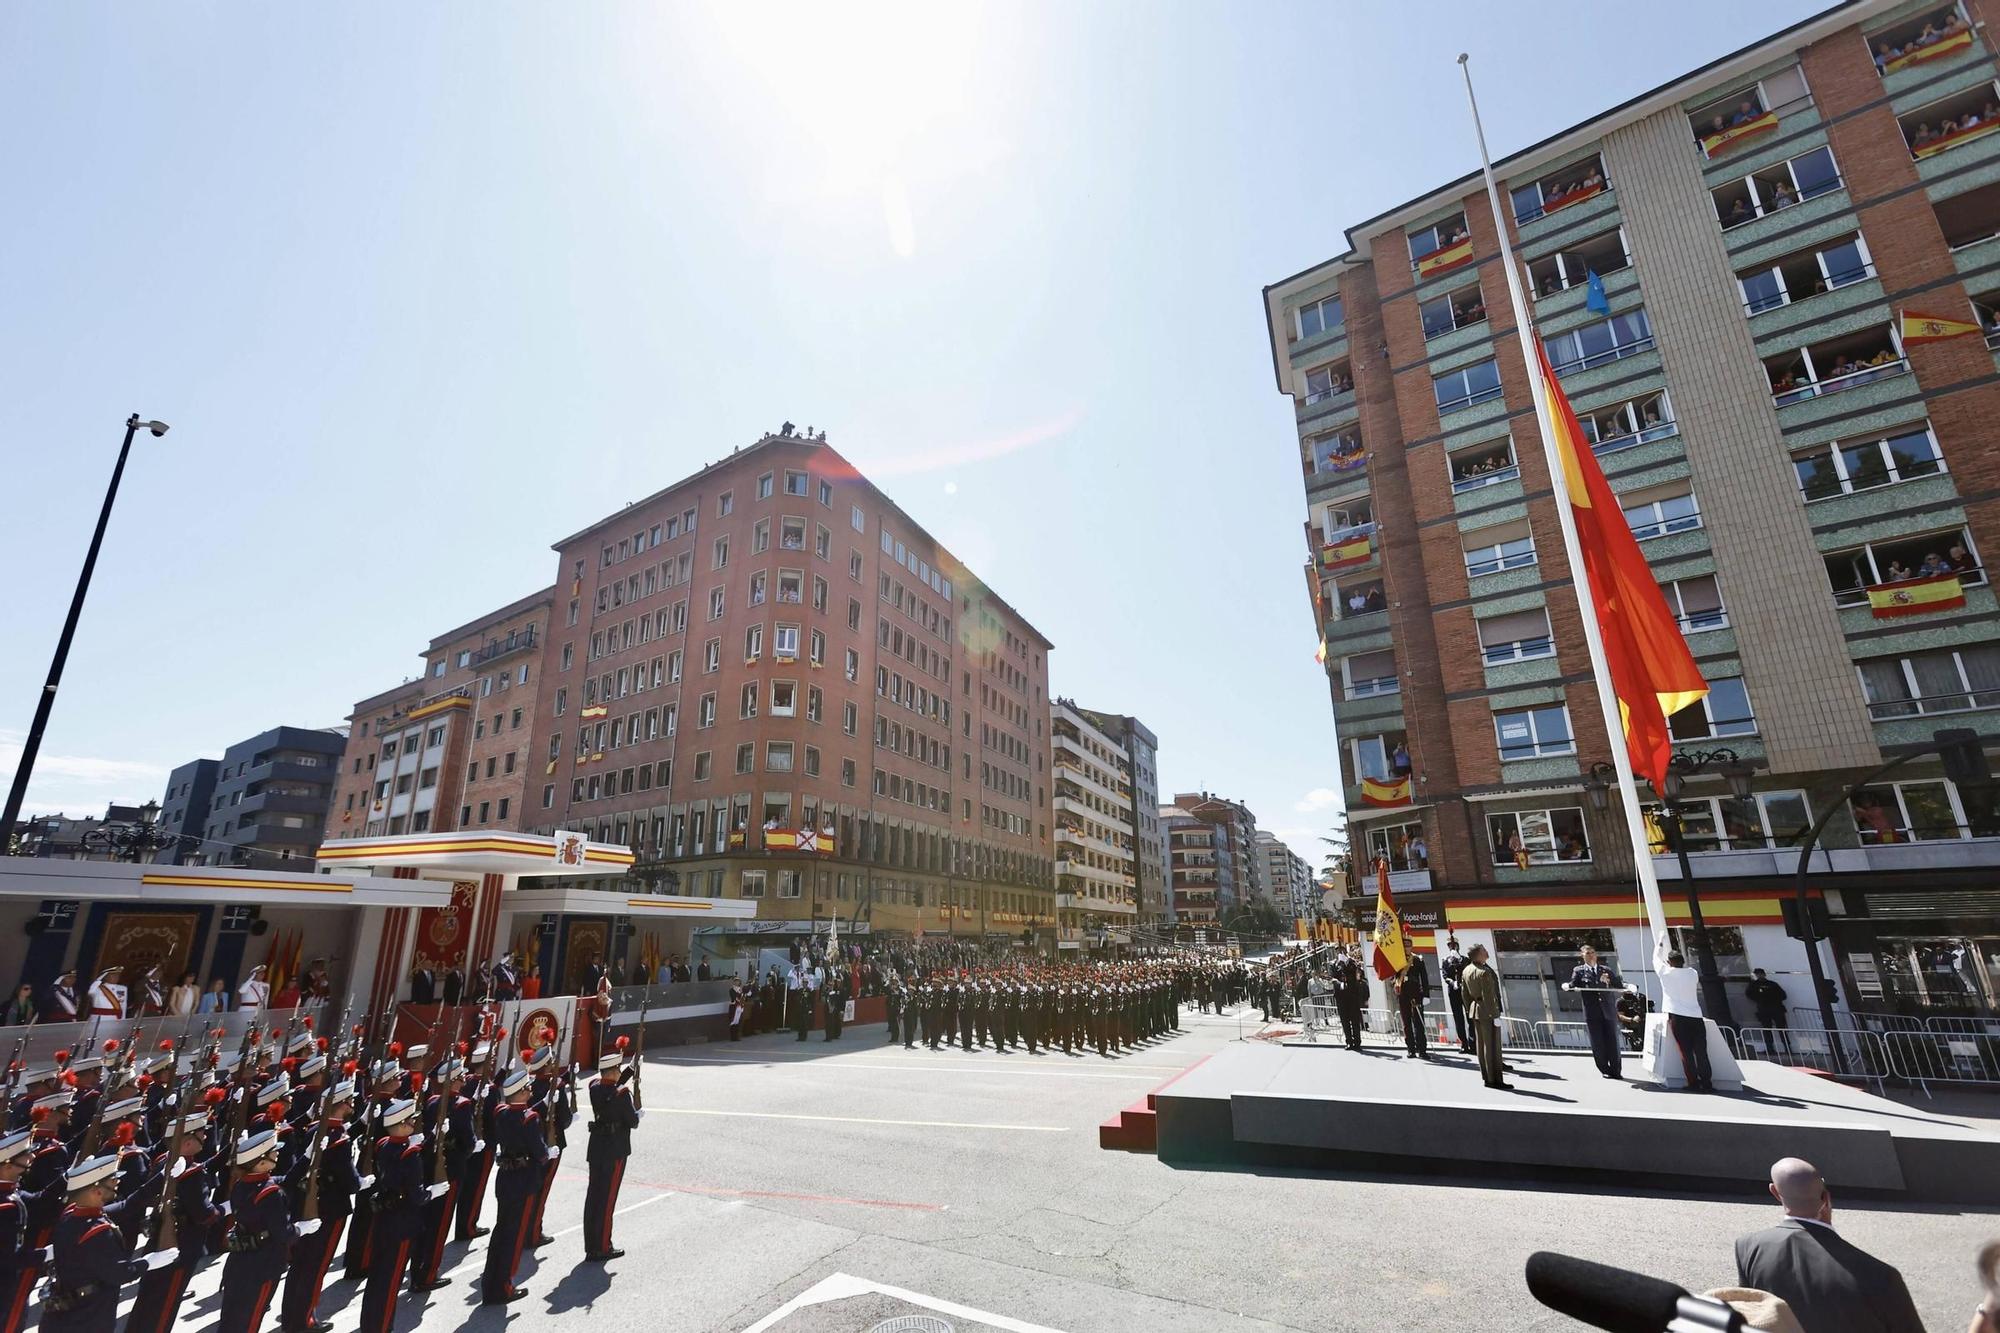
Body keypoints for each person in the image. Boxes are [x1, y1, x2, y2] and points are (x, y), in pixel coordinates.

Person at [1734, 1157, 1925, 1333]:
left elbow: (1753, 1313)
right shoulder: (1882, 1275)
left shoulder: (1748, 1247)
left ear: (1775, 1192)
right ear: (1826, 1198)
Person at [218, 1128, 302, 1333]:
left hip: (240, 1262)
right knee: (250, 1322)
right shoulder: (270, 1194)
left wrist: (306, 1159)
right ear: (261, 1162)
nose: (277, 1154)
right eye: (273, 1152)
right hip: (264, 1264)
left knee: (232, 1318)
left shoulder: (241, 1185)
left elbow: (283, 1180)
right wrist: (299, 1230)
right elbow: (283, 1233)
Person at [358, 1098, 427, 1333]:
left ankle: (369, 1324)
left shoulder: (384, 1145)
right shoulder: (410, 1154)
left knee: (378, 1276)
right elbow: (416, 1195)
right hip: (403, 1221)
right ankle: (382, 1327)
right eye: (412, 1121)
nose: (415, 1124)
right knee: (391, 1280)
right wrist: (430, 1193)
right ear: (404, 1124)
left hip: (385, 1219)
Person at [480, 1070, 544, 1305]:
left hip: (505, 1178)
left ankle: (490, 1284)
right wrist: (547, 1154)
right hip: (524, 1179)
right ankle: (503, 1286)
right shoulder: (530, 1118)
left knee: (500, 1232)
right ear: (521, 1092)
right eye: (527, 1088)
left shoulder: (501, 1113)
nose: (530, 1091)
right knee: (514, 1236)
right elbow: (539, 1151)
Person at [583, 1039, 640, 1262]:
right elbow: (632, 1121)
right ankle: (603, 1246)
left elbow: (610, 1087)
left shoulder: (594, 1087)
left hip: (596, 1147)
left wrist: (630, 1070)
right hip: (615, 1149)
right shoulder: (621, 1094)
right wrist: (637, 1113)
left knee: (593, 1197)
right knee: (607, 1200)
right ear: (614, 1070)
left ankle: (591, 1244)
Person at [1656, 939, 1714, 1092]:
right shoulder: (1692, 973)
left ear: (1669, 962)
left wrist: (1659, 945)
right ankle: (1707, 1083)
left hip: (1678, 1017)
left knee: (1686, 1052)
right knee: (1701, 1052)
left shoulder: (1665, 972)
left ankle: (1693, 1082)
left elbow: (1655, 959)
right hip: (1696, 1016)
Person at [1562, 945, 1625, 1079]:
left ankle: (1616, 1070)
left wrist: (1628, 986)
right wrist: (1567, 986)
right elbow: (1573, 984)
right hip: (1592, 1012)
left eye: (1592, 952)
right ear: (1582, 956)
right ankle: (1604, 1069)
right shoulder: (1579, 971)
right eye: (1587, 953)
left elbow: (1617, 983)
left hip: (1608, 1011)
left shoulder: (1605, 969)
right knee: (1598, 1042)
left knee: (1613, 1042)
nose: (1590, 955)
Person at [1461, 943, 1509, 1089]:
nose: (1486, 952)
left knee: (1481, 1046)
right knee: (1492, 1046)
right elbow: (1489, 996)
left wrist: (1471, 1008)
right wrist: (1495, 1015)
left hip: (1475, 1010)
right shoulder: (1484, 972)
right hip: (1487, 1011)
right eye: (1484, 951)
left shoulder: (1466, 970)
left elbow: (1465, 995)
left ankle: (1486, 1077)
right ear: (1478, 954)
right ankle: (1495, 1079)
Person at [1395, 964, 1429, 1059]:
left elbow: (1424, 978)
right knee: (1406, 1023)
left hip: (1416, 993)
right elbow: (1393, 977)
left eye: (1409, 947)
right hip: (1403, 995)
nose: (1407, 949)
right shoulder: (1397, 960)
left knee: (1419, 1022)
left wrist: (1426, 995)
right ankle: (1411, 1049)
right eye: (1405, 947)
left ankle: (1422, 1050)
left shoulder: (1417, 960)